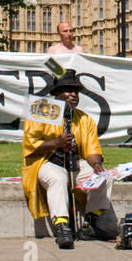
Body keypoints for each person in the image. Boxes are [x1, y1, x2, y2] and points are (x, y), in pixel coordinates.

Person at [21, 70, 115, 248]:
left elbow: (91, 148)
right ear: (56, 94)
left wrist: (96, 164)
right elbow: (31, 146)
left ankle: (89, 224)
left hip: (75, 164)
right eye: (68, 90)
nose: (73, 94)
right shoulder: (41, 110)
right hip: (47, 162)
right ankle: (62, 227)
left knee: (105, 177)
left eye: (76, 92)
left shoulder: (83, 118)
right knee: (58, 179)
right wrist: (56, 142)